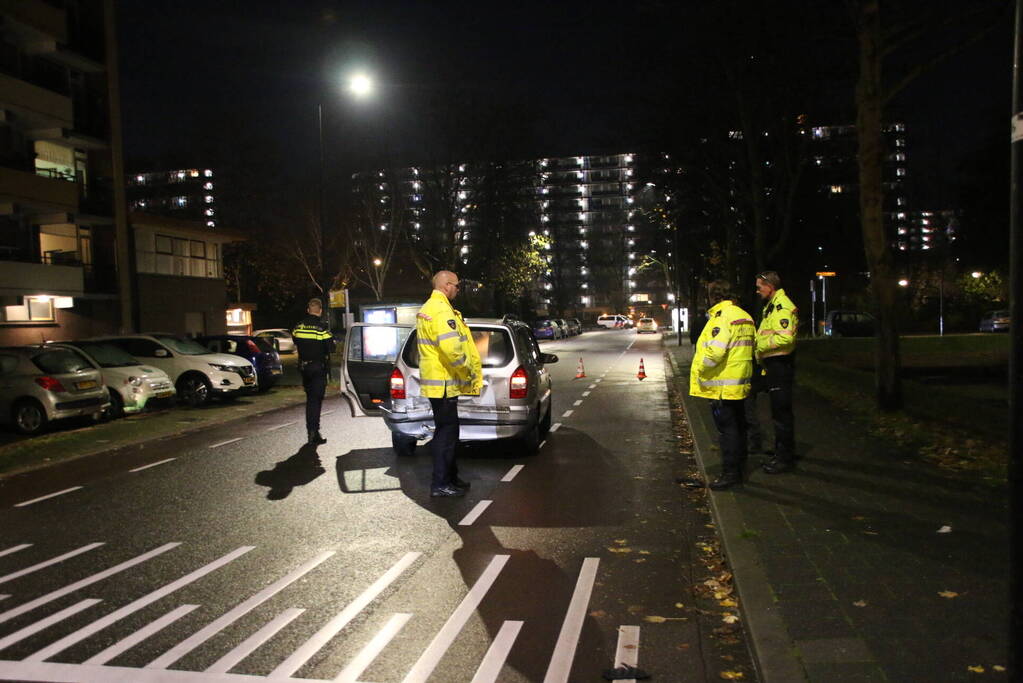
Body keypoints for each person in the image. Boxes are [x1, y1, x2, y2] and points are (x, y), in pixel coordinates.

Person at [416, 270, 483, 497]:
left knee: (447, 432)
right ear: (446, 285)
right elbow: (451, 349)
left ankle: (450, 478)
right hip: (444, 382)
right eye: (456, 286)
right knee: (446, 435)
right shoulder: (442, 311)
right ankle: (441, 484)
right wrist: (466, 370)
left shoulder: (429, 307)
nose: (458, 290)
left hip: (438, 382)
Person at [690, 279, 756, 490]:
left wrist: (700, 367)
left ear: (714, 296)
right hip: (739, 382)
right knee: (739, 427)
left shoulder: (722, 317)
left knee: (727, 431)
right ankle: (740, 468)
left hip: (723, 386)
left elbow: (715, 352)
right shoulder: (745, 316)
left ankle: (730, 474)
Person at [754, 270, 798, 473]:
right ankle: (782, 452)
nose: (757, 291)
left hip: (780, 364)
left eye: (759, 287)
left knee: (781, 412)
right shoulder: (772, 306)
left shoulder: (781, 307)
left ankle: (784, 459)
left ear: (770, 287)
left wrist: (760, 346)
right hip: (774, 365)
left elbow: (785, 338)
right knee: (778, 411)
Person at [292, 297, 334, 445]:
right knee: (315, 401)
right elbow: (331, 348)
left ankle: (312, 431)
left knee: (310, 400)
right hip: (318, 368)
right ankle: (313, 432)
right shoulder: (322, 328)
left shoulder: (298, 327)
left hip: (304, 368)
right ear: (320, 311)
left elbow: (295, 340)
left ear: (308, 310)